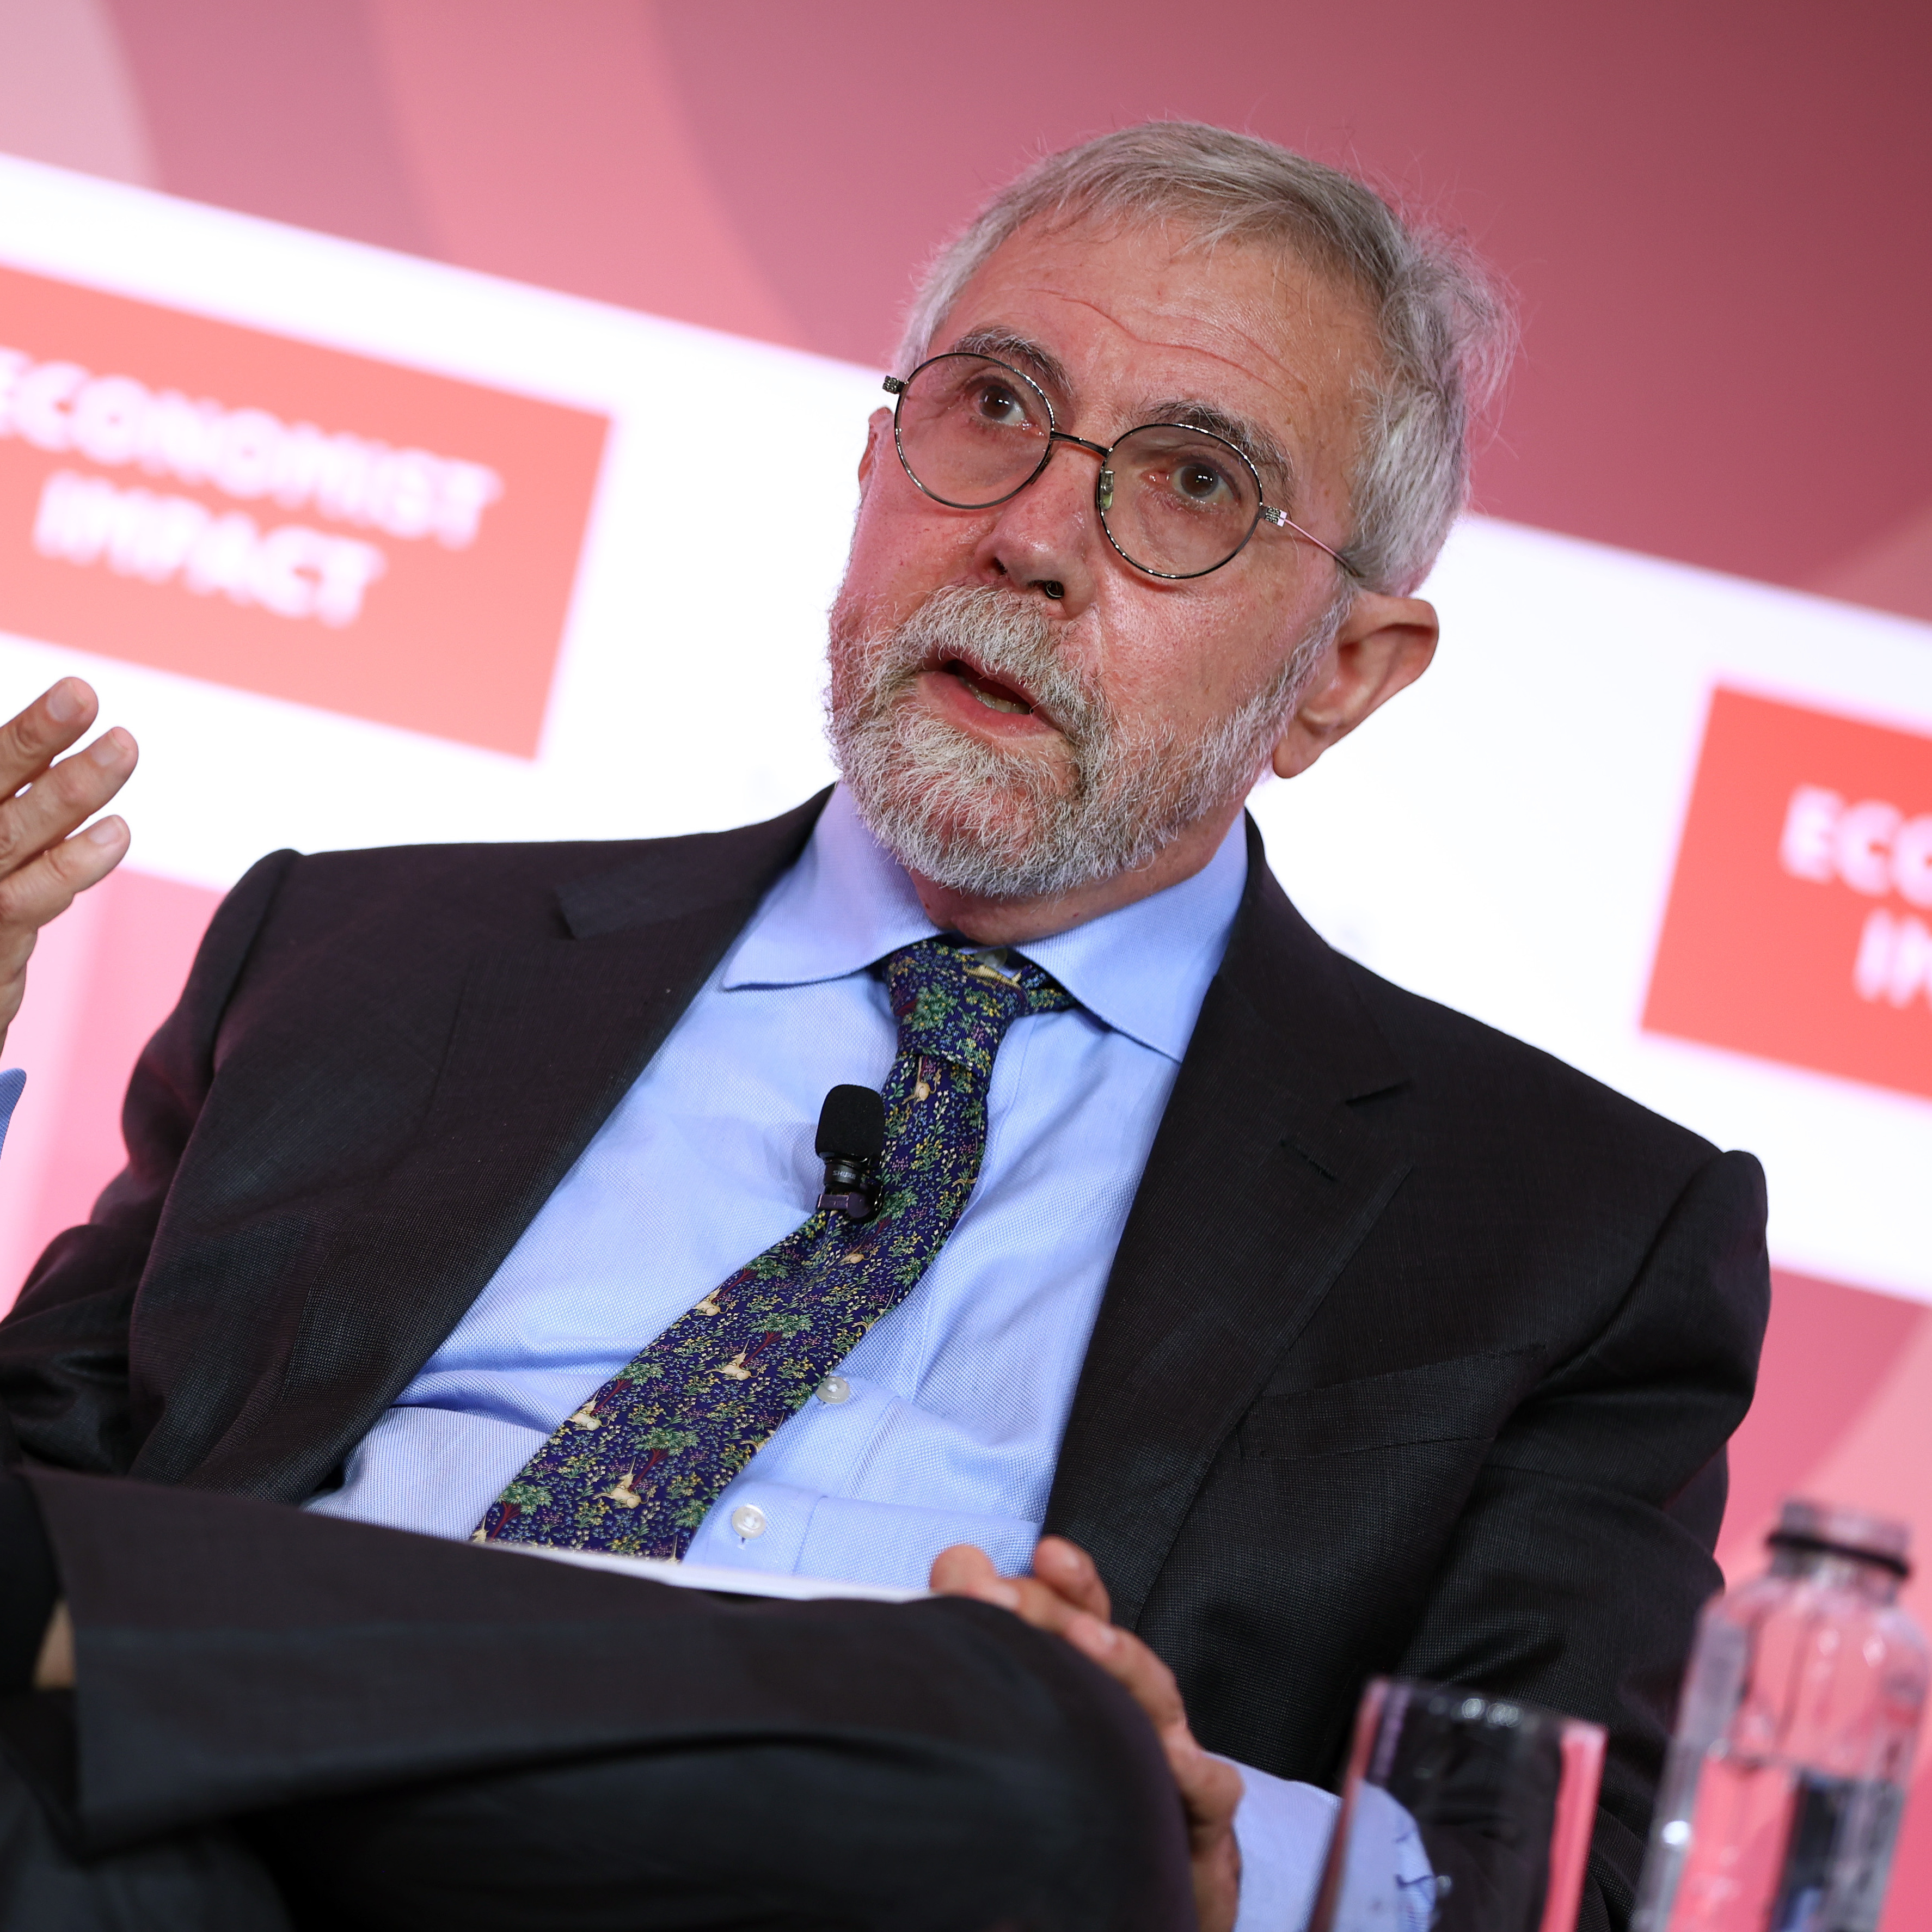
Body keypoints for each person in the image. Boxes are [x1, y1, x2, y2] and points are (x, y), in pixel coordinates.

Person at [0, 123, 1768, 1931]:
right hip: (183, 1872)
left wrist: (1214, 1836)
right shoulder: (374, 950)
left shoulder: (1566, 1230)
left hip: (882, 1878)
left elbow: (1550, 1865)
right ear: (872, 463)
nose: (1027, 539)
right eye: (996, 407)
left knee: (1029, 1731)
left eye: (1191, 485)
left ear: (1343, 673)